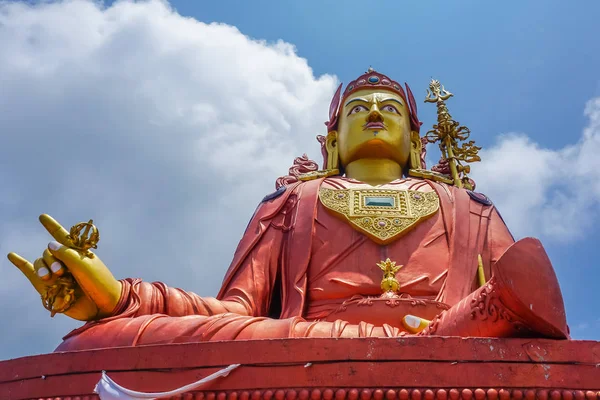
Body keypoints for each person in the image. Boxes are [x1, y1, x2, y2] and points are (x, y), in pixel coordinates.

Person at [8, 69, 569, 351]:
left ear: (417, 141)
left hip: (449, 340)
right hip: (306, 340)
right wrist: (121, 298)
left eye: (389, 108)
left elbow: (528, 307)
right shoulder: (292, 203)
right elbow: (232, 312)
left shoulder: (470, 209)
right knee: (91, 339)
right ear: (334, 137)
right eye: (358, 108)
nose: (375, 112)